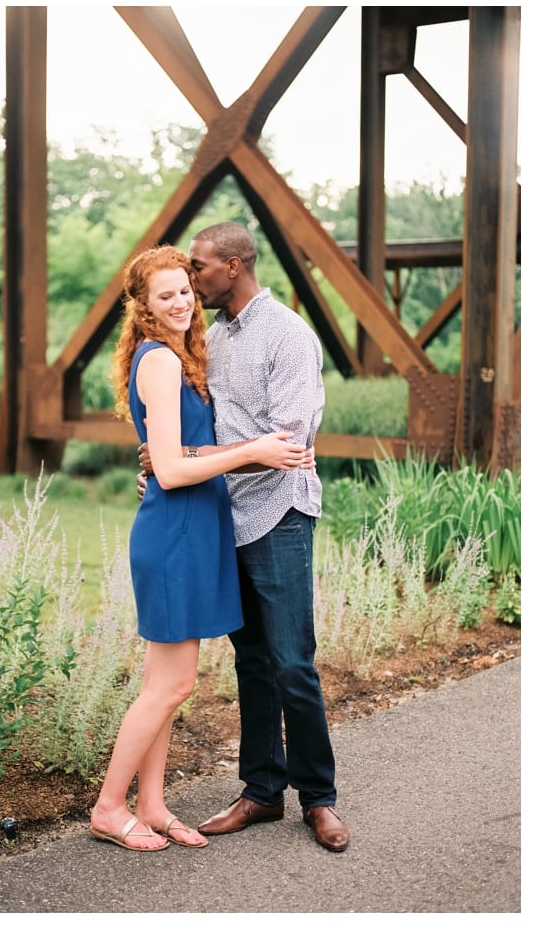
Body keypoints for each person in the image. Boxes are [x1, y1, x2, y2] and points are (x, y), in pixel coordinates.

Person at [88, 244, 307, 852]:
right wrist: (251, 453)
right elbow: (171, 470)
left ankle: (152, 805)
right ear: (142, 307)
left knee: (164, 684)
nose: (182, 301)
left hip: (193, 528)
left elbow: (185, 454)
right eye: (166, 295)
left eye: (185, 289)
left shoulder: (179, 357)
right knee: (172, 686)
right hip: (176, 531)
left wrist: (270, 446)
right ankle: (109, 807)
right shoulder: (158, 361)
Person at [176, 221, 349, 852]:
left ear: (235, 264)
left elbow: (289, 445)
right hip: (229, 512)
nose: (192, 279)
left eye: (199, 267)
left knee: (292, 664)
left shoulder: (289, 336)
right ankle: (261, 792)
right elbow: (212, 427)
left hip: (280, 513)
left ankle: (320, 800)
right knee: (251, 662)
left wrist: (201, 457)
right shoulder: (214, 337)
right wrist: (169, 456)